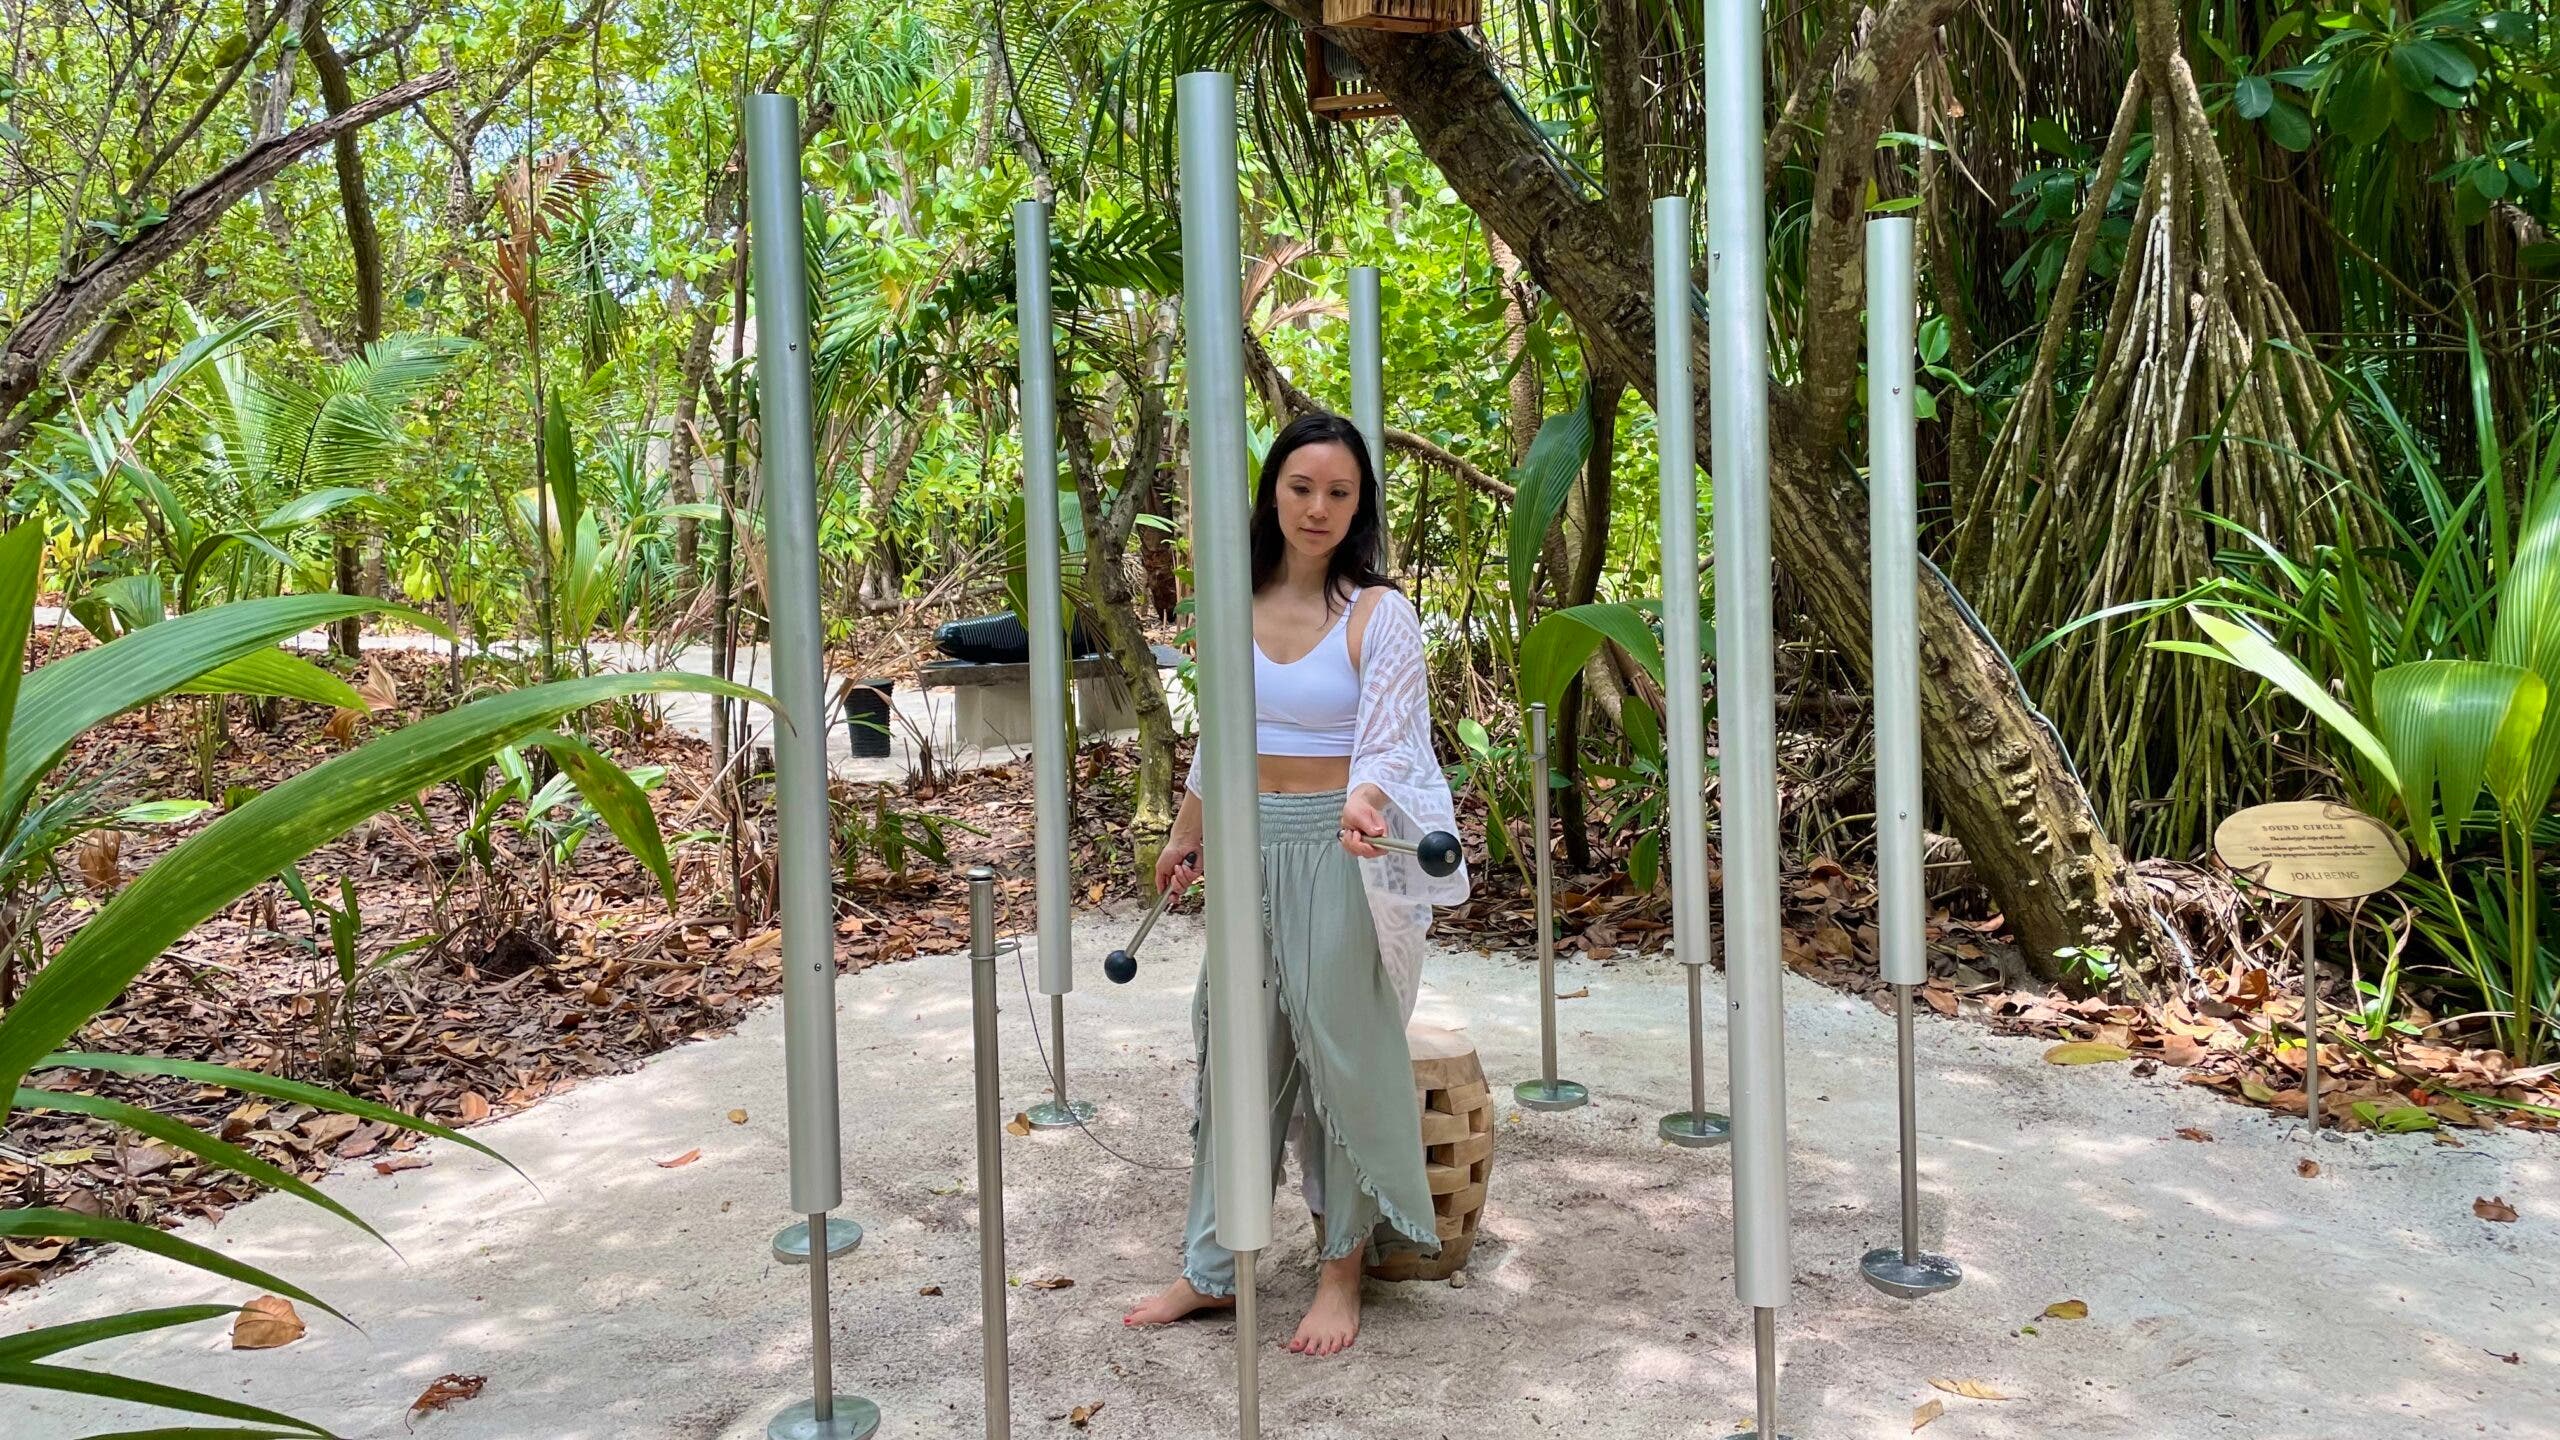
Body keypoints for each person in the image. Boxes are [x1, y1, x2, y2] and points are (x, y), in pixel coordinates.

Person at [1121, 411, 1470, 1356]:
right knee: (1236, 1045)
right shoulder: (1231, 601)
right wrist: (1186, 832)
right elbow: (1218, 737)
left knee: (1341, 1051)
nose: (1318, 508)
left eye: (1339, 492)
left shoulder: (1377, 613)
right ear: (1273, 492)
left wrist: (1363, 801)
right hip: (1246, 842)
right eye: (1302, 487)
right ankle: (1211, 1267)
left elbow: (1394, 738)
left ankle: (1341, 1269)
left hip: (1339, 848)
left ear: (1359, 506)